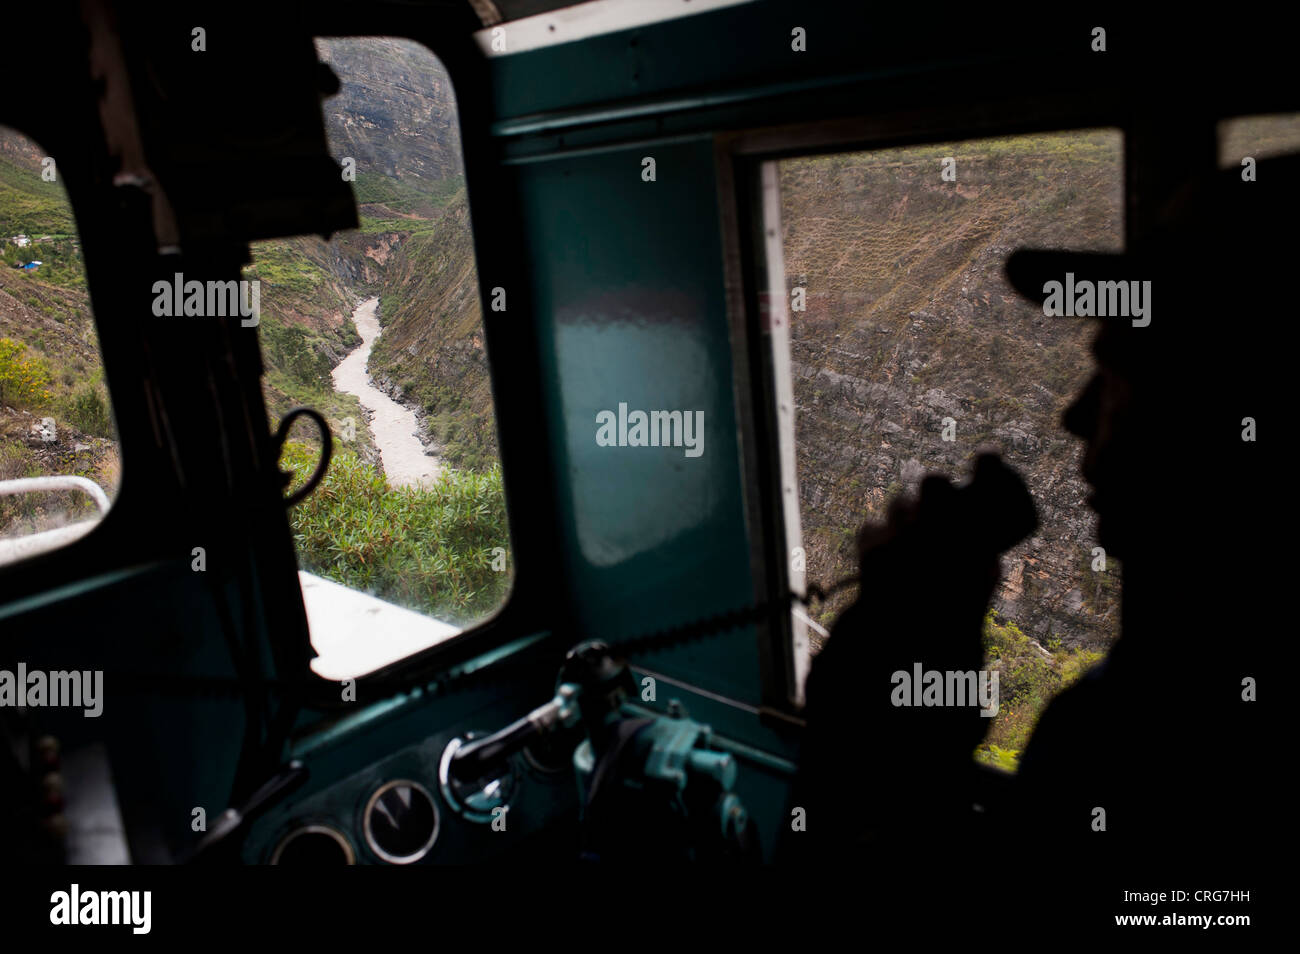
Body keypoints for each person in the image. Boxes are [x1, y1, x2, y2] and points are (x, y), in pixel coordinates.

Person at [787, 153, 1290, 882]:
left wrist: (878, 682)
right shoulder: (1166, 699)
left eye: (1123, 370)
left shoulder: (1130, 742)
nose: (1076, 412)